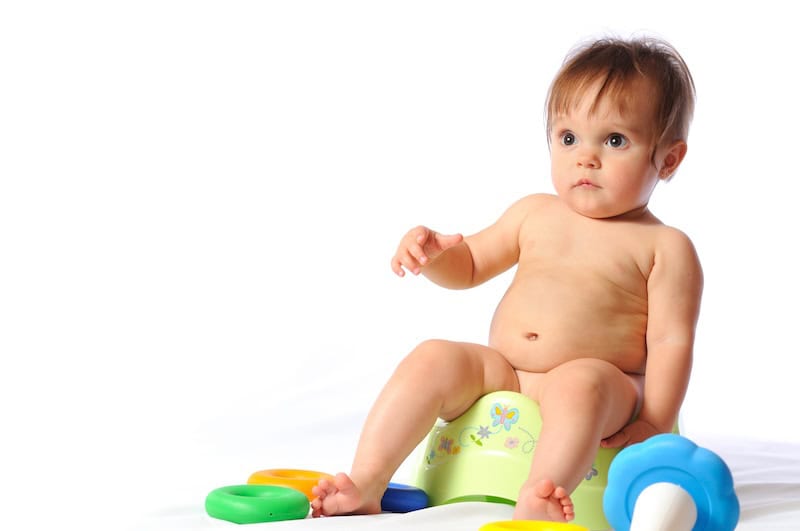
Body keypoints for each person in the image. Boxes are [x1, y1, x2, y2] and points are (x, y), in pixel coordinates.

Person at [311, 36, 702, 522]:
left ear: (667, 159)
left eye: (615, 140)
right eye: (568, 137)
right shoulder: (533, 213)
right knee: (434, 354)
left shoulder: (664, 247)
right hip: (508, 373)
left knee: (579, 383)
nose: (586, 157)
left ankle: (542, 494)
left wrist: (655, 423)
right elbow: (471, 263)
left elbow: (670, 341)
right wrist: (434, 257)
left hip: (605, 385)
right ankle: (366, 481)